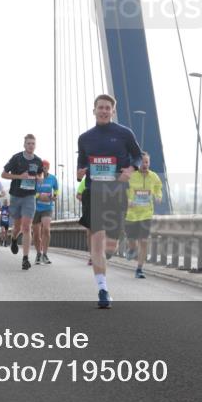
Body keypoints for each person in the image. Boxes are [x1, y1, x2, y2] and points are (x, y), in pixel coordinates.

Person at [77, 94, 142, 308]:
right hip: (94, 193)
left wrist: (130, 170)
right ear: (93, 110)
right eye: (100, 107)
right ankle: (103, 289)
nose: (104, 111)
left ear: (113, 111)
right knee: (97, 242)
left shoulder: (124, 133)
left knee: (110, 246)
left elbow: (138, 157)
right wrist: (80, 172)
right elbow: (79, 169)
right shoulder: (85, 138)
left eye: (107, 108)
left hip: (117, 193)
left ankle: (109, 254)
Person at [1, 134, 44, 270]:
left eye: (33, 143)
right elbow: (4, 174)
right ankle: (13, 238)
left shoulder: (38, 160)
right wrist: (19, 176)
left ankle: (25, 258)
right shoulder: (17, 158)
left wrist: (39, 177)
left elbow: (41, 173)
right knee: (18, 227)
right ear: (24, 145)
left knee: (26, 227)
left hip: (30, 196)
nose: (31, 145)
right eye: (29, 143)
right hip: (16, 196)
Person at [125, 152, 163, 279]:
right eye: (142, 162)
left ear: (149, 163)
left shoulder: (154, 177)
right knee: (132, 242)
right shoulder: (131, 176)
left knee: (144, 241)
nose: (144, 164)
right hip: (131, 215)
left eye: (147, 162)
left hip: (146, 214)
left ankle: (139, 269)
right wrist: (127, 201)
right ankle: (131, 249)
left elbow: (158, 188)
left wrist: (158, 196)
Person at [32, 159, 58, 265]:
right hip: (35, 208)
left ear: (48, 168)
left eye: (46, 167)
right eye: (42, 167)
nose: (44, 169)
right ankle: (38, 253)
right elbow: (30, 191)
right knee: (36, 233)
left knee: (46, 229)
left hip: (47, 207)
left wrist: (54, 196)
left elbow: (56, 189)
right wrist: (39, 196)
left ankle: (45, 254)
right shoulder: (35, 178)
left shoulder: (53, 178)